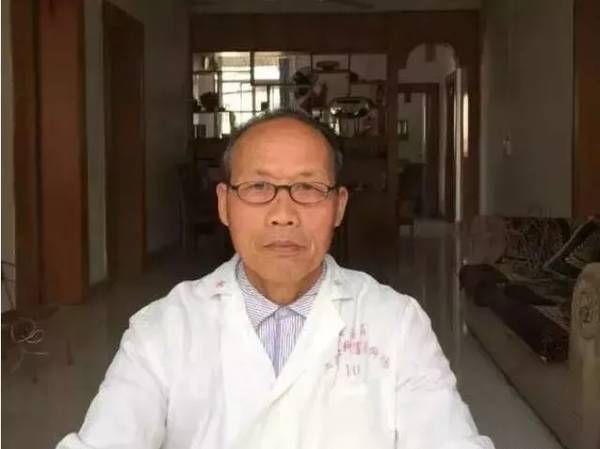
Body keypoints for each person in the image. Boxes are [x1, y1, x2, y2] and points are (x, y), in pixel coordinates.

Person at [57, 109, 494, 449]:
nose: (283, 215)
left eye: (308, 188)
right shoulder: (162, 330)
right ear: (224, 204)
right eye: (258, 187)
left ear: (339, 206)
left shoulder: (396, 324)